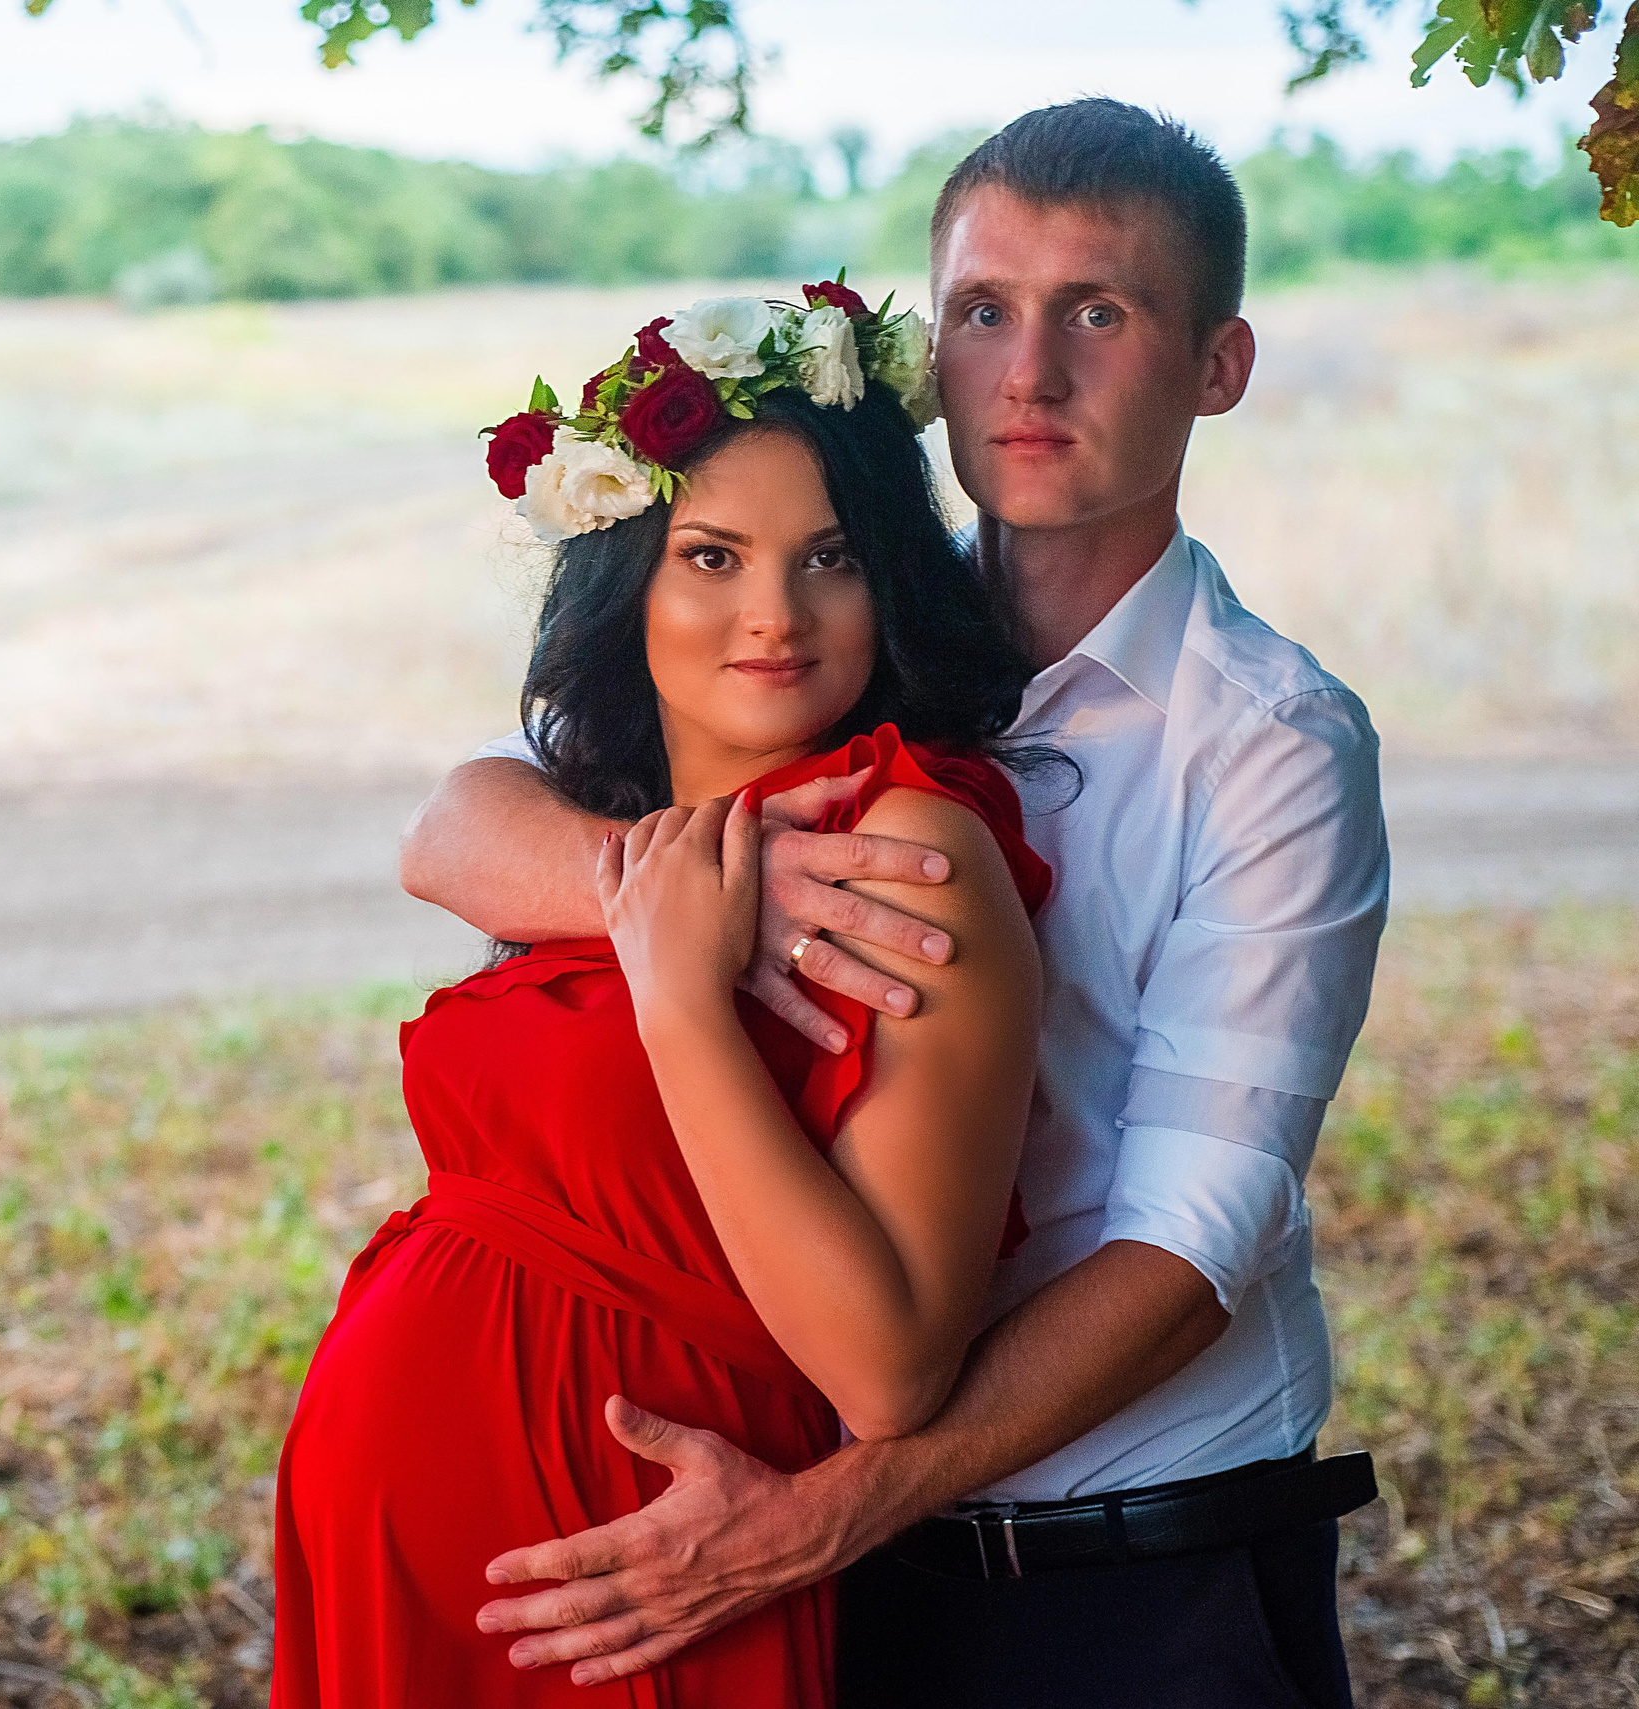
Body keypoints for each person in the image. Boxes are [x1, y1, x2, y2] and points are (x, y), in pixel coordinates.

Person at [409, 100, 1391, 1709]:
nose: (1031, 372)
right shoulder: (846, 618)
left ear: (1217, 364)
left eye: (1100, 312)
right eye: (986, 312)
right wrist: (724, 887)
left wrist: (821, 1514)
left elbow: (1200, 1234)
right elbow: (464, 819)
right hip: (846, 1567)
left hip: (1129, 1564)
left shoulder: (1271, 740)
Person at [269, 284, 1059, 1706]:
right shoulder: (593, 810)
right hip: (404, 1561)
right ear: (628, 575)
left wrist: (687, 997)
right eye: (712, 555)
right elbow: (438, 832)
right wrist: (672, 908)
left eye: (831, 557)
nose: (775, 615)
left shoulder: (906, 847)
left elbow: (887, 1373)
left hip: (634, 1582)